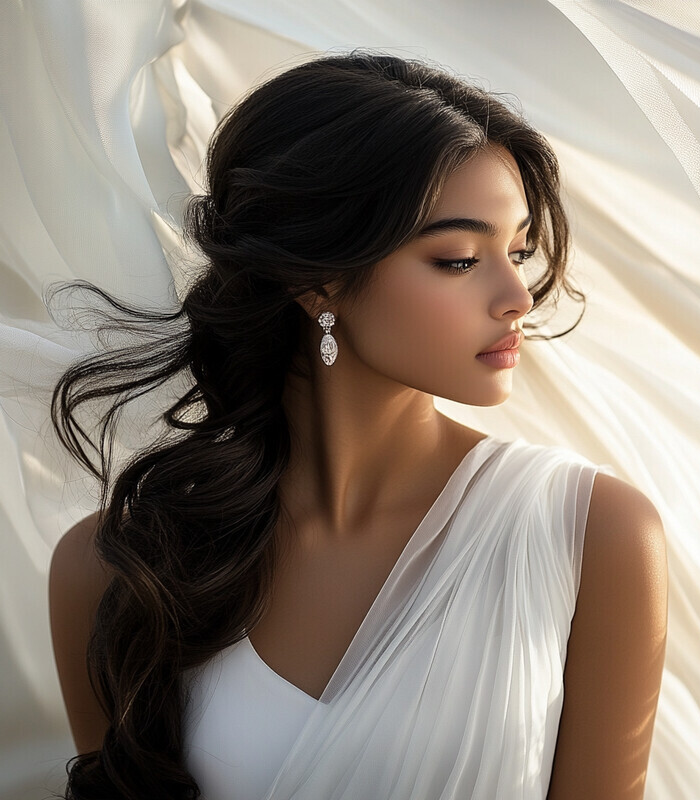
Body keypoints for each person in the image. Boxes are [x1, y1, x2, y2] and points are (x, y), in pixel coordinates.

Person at [47, 50, 668, 800]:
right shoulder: (120, 568)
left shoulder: (592, 537)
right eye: (459, 258)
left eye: (520, 250)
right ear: (318, 280)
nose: (517, 297)